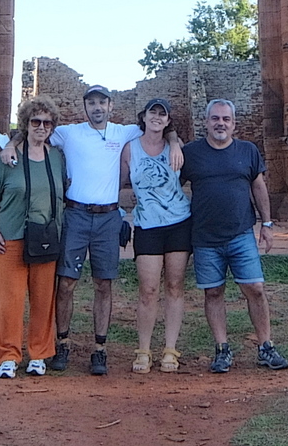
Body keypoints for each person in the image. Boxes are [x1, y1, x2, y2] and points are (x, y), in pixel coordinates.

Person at [0, 84, 182, 375]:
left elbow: (158, 126)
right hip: (76, 215)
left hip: (108, 217)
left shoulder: (122, 132)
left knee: (103, 283)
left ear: (111, 107)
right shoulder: (70, 133)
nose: (97, 108)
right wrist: (11, 143)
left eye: (102, 103)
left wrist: (173, 141)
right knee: (67, 282)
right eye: (92, 103)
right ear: (85, 107)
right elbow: (34, 130)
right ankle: (63, 342)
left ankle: (100, 348)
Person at [180, 98, 288, 373]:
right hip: (205, 237)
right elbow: (172, 185)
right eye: (215, 118)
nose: (220, 124)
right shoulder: (191, 154)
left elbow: (259, 187)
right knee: (214, 292)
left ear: (234, 124)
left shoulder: (247, 151)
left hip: (241, 233)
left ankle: (266, 346)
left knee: (255, 289)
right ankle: (222, 349)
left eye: (226, 119)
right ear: (206, 122)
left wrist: (267, 224)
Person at [0, 97, 68, 379]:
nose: (41, 127)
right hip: (11, 236)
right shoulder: (8, 157)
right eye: (36, 122)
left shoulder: (56, 157)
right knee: (9, 299)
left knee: (44, 298)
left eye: (47, 122)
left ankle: (39, 353)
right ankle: (8, 355)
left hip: (45, 236)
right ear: (26, 124)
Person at [118, 98, 192, 373]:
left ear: (168, 120)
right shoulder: (130, 150)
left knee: (174, 286)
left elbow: (185, 177)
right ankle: (144, 349)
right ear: (144, 116)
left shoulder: (176, 147)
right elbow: (119, 184)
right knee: (148, 290)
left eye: (162, 114)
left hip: (178, 222)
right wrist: (118, 216)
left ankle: (170, 349)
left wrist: (174, 142)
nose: (157, 117)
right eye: (153, 112)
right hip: (147, 224)